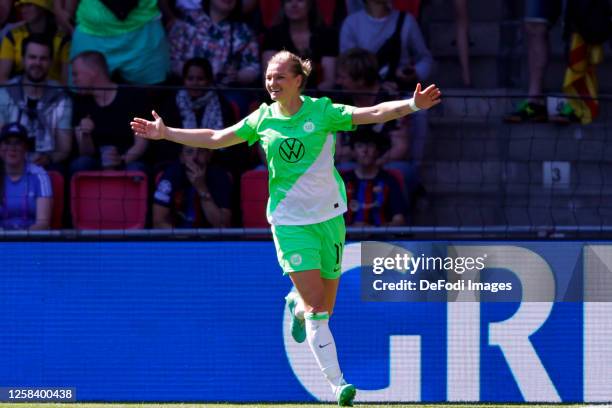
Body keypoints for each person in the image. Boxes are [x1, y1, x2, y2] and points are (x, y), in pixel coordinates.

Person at [131, 50, 441, 406]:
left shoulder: (323, 111)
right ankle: (338, 384)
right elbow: (217, 138)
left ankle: (295, 304)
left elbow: (371, 113)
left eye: (279, 77)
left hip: (329, 220)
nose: (271, 83)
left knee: (322, 306)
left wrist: (413, 105)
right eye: (268, 77)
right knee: (318, 312)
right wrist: (166, 132)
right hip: (290, 224)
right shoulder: (262, 119)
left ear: (298, 80)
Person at [0, 33, 73, 171]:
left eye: (43, 59)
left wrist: (49, 158)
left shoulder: (62, 97)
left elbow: (64, 148)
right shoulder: (4, 93)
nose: (37, 63)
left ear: (51, 62)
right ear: (22, 60)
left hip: (47, 164)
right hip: (9, 161)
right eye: (32, 57)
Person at [71, 51, 150, 173]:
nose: (73, 80)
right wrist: (85, 135)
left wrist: (122, 160)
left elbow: (141, 143)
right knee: (81, 164)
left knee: (136, 169)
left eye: (76, 74)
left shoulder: (132, 96)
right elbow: (85, 153)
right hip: (96, 163)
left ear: (92, 72)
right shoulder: (80, 102)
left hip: (127, 161)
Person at [339, 0, 433, 91]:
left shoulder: (406, 21)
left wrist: (415, 73)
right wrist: (377, 86)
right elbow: (348, 67)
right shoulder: (351, 23)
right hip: (365, 96)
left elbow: (425, 59)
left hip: (401, 92)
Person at [262, 0, 339, 90]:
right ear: (283, 6)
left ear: (310, 5)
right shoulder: (273, 35)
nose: (294, 5)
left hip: (318, 98)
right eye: (289, 1)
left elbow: (329, 81)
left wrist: (307, 100)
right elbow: (269, 79)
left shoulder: (326, 35)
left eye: (300, 0)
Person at [153, 145, 232, 228]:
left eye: (201, 151)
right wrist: (183, 238)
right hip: (178, 238)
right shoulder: (171, 175)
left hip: (210, 238)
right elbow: (158, 222)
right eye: (189, 152)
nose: (195, 157)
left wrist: (201, 188)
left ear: (209, 156)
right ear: (182, 157)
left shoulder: (219, 177)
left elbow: (222, 226)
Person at [343, 128, 407, 227]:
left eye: (370, 146)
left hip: (381, 240)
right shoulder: (342, 181)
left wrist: (374, 229)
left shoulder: (389, 180)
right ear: (353, 152)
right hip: (347, 240)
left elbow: (399, 220)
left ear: (377, 151)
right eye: (360, 146)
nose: (365, 150)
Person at [0, 0, 71, 83]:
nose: (23, 10)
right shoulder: (12, 36)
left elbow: (65, 81)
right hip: (19, 92)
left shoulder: (63, 39)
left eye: (29, 5)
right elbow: (2, 77)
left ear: (42, 8)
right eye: (22, 6)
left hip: (54, 93)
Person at [0, 122, 52, 230]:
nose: (12, 148)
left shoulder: (39, 175)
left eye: (17, 143)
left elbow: (43, 223)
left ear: (25, 148)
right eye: (7, 142)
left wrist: (20, 239)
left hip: (31, 241)